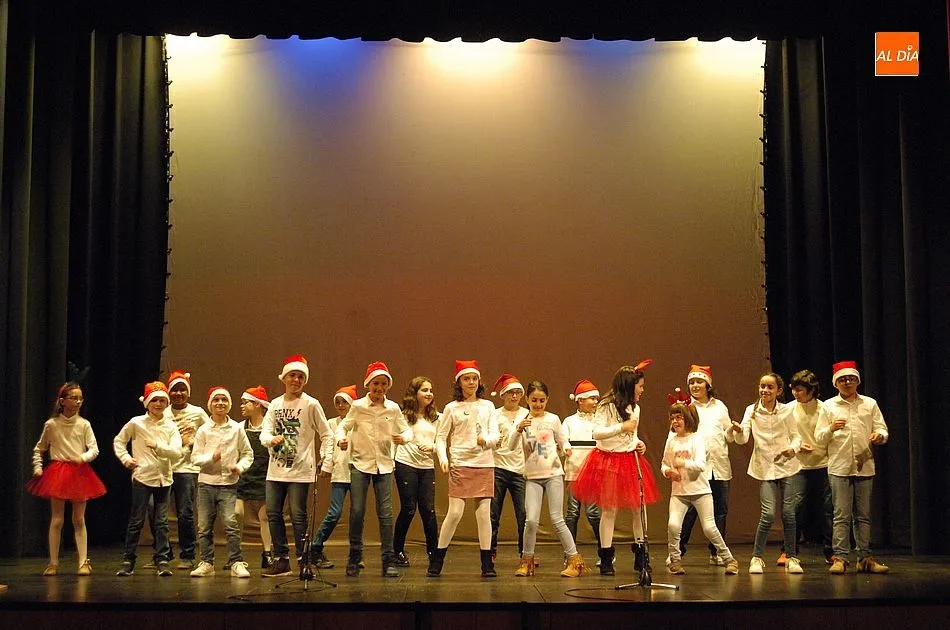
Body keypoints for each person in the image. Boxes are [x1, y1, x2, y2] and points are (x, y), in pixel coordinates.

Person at [571, 361, 661, 576]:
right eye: (640, 386)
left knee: (639, 508)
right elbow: (596, 433)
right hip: (609, 460)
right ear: (629, 385)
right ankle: (606, 557)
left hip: (630, 460)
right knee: (609, 510)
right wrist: (621, 427)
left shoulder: (635, 407)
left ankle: (641, 555)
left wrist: (638, 443)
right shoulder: (606, 406)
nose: (642, 390)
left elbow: (632, 434)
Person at [334, 361, 412, 578]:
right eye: (376, 383)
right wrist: (341, 439)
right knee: (357, 511)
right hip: (360, 464)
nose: (379, 388)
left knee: (385, 514)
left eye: (383, 384)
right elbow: (343, 426)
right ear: (368, 384)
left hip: (384, 466)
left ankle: (388, 559)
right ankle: (355, 557)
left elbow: (407, 430)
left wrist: (403, 438)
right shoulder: (358, 406)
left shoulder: (392, 408)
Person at [815, 361, 890, 575]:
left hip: (864, 465)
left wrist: (879, 436)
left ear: (857, 381)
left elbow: (882, 428)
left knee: (863, 516)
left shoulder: (869, 403)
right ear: (836, 383)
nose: (847, 382)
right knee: (841, 515)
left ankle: (865, 557)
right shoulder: (828, 406)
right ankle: (840, 558)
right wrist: (831, 428)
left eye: (851, 379)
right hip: (839, 466)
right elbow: (819, 437)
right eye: (842, 379)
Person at [508, 380, 589, 577]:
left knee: (557, 519)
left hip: (553, 475)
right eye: (534, 400)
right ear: (527, 400)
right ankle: (526, 561)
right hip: (532, 477)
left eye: (542, 400)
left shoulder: (553, 419)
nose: (538, 404)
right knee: (531, 520)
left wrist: (566, 448)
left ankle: (574, 561)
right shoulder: (522, 421)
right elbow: (510, 446)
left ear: (547, 400)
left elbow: (562, 440)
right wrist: (518, 429)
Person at [261, 355, 332, 577]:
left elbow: (327, 434)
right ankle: (281, 559)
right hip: (276, 469)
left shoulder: (311, 404)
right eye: (292, 375)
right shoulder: (275, 404)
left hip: (300, 470)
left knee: (298, 514)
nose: (296, 380)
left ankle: (303, 559)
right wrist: (270, 440)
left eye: (301, 377)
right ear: (284, 378)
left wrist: (327, 459)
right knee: (273, 513)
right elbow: (265, 432)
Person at [26, 381, 106, 576]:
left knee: (78, 518)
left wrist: (82, 458)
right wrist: (37, 467)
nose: (78, 402)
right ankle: (53, 562)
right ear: (62, 401)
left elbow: (94, 449)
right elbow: (40, 448)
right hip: (58, 472)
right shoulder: (52, 425)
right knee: (57, 519)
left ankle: (83, 561)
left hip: (79, 472)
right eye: (74, 398)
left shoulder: (84, 424)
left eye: (80, 398)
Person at [428, 360, 499, 578]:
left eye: (474, 378)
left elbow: (495, 435)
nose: (471, 382)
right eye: (467, 379)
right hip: (460, 463)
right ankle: (438, 559)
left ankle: (487, 564)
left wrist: (485, 440)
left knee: (484, 514)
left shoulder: (488, 406)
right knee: (455, 513)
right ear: (459, 382)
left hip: (484, 463)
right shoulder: (452, 408)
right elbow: (441, 437)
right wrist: (443, 458)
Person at [661, 389, 739, 575]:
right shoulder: (672, 441)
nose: (675, 421)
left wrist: (682, 463)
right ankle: (675, 560)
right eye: (672, 418)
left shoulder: (697, 439)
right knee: (673, 525)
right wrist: (668, 471)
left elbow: (700, 465)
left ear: (688, 418)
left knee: (709, 528)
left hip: (701, 491)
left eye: (679, 417)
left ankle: (729, 559)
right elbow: (664, 463)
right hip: (679, 493)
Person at [735, 372, 805, 574]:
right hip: (765, 467)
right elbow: (743, 438)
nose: (764, 390)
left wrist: (793, 449)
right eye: (762, 386)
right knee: (768, 514)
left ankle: (792, 557)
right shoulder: (751, 410)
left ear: (778, 391)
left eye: (769, 387)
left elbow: (796, 437)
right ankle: (757, 558)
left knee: (789, 514)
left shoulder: (786, 410)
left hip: (787, 466)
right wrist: (737, 430)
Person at [113, 381, 183, 576]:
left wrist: (158, 446)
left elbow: (177, 452)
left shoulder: (170, 426)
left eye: (162, 401)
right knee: (136, 520)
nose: (158, 404)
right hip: (142, 478)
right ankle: (128, 559)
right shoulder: (137, 423)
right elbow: (119, 441)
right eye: (154, 400)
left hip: (163, 480)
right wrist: (126, 459)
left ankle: (162, 559)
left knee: (161, 522)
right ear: (147, 403)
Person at [189, 387, 254, 578]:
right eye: (216, 400)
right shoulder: (203, 430)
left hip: (228, 485)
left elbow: (248, 454)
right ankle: (207, 562)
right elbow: (195, 458)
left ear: (229, 404)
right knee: (204, 526)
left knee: (230, 523)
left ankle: (236, 562)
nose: (220, 403)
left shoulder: (236, 428)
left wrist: (239, 467)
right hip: (206, 484)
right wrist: (212, 458)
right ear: (210, 404)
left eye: (224, 400)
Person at [677, 365, 735, 565]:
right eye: (692, 382)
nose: (695, 385)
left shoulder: (719, 406)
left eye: (699, 382)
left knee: (719, 511)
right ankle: (678, 551)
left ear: (708, 385)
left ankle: (716, 551)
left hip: (718, 465)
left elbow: (728, 434)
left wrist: (732, 431)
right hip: (696, 466)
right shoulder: (686, 407)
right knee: (690, 511)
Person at [162, 370, 210, 570]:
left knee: (185, 512)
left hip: (187, 468)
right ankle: (163, 554)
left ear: (188, 392)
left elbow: (211, 433)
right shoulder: (162, 412)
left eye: (182, 390)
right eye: (175, 390)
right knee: (157, 512)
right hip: (163, 468)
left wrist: (194, 441)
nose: (178, 393)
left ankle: (188, 554)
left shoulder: (197, 412)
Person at [392, 376, 441, 567]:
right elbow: (396, 438)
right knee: (409, 508)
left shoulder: (437, 417)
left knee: (428, 510)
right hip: (406, 464)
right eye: (424, 390)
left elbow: (442, 443)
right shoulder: (403, 416)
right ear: (414, 393)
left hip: (426, 467)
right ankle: (397, 551)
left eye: (431, 390)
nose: (429, 393)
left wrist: (433, 447)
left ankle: (433, 552)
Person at [790, 369, 833, 564]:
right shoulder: (789, 409)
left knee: (828, 508)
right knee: (795, 507)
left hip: (824, 463)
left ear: (812, 390)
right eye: (794, 389)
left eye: (800, 390)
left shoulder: (825, 408)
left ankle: (831, 550)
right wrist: (798, 446)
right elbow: (784, 435)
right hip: (799, 465)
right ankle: (789, 550)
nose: (796, 393)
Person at [311, 385, 357, 569]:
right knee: (335, 512)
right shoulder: (332, 423)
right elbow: (327, 444)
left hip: (358, 471)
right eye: (337, 402)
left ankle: (356, 553)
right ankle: (316, 546)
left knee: (357, 514)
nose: (340, 405)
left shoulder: (358, 421)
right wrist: (326, 461)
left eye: (344, 402)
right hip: (340, 471)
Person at [489, 373, 528, 561]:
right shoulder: (495, 415)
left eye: (518, 393)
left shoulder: (526, 414)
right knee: (493, 513)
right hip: (498, 467)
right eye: (511, 393)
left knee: (524, 515)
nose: (514, 396)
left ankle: (525, 553)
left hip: (520, 470)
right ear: (503, 395)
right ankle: (490, 551)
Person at [562, 379, 602, 556]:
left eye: (596, 399)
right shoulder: (569, 421)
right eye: (592, 398)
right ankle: (571, 554)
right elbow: (562, 440)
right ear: (580, 400)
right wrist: (565, 447)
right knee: (572, 513)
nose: (595, 402)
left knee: (593, 513)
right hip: (573, 472)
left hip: (592, 473)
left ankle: (605, 551)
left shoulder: (599, 421)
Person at [235, 386, 274, 569]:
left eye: (246, 402)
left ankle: (267, 553)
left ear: (258, 405)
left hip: (265, 475)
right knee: (237, 513)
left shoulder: (270, 427)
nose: (242, 406)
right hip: (244, 476)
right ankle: (235, 554)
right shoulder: (239, 427)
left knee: (264, 516)